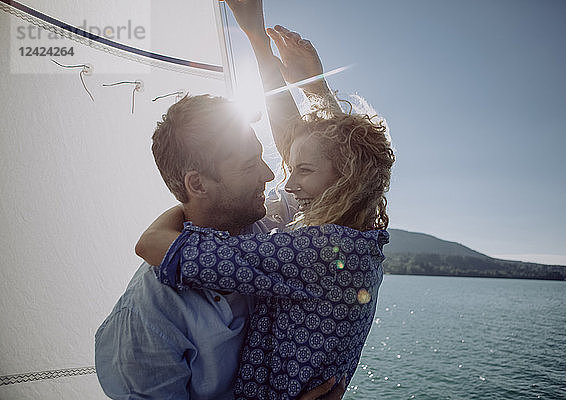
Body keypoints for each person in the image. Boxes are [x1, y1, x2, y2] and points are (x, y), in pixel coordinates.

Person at [135, 1, 395, 398]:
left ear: (345, 182)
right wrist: (280, 61)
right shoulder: (356, 235)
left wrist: (184, 205)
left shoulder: (315, 248)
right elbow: (311, 148)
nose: (282, 181)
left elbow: (152, 245)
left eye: (302, 174)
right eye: (252, 164)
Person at [95, 97, 344, 398]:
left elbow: (344, 173)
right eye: (250, 164)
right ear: (197, 185)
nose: (268, 174)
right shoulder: (146, 318)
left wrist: (311, 84)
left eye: (260, 157)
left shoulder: (277, 222)